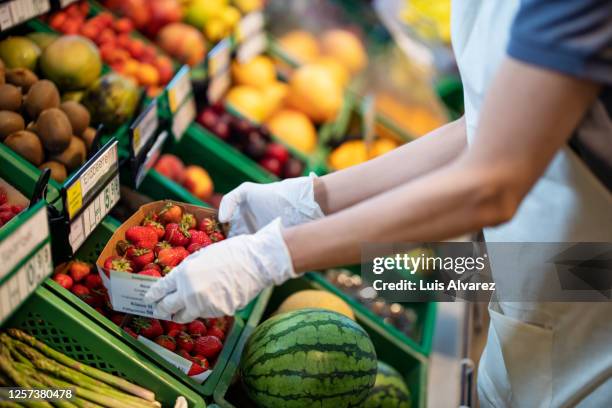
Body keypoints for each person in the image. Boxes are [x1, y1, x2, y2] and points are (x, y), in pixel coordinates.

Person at [146, 0, 612, 405]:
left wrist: (275, 255)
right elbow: (490, 126)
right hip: (556, 269)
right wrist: (313, 198)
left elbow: (492, 183)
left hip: (591, 297)